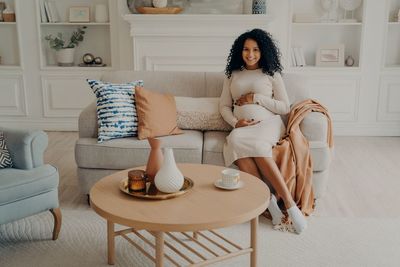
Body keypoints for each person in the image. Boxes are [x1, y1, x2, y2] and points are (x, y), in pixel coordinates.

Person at [219, 28, 307, 234]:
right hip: (243, 127)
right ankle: (270, 204)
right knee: (235, 141)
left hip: (268, 123)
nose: (250, 54)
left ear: (263, 51)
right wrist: (235, 122)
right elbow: (223, 106)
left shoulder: (271, 74)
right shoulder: (232, 74)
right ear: (239, 51)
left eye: (256, 49)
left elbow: (284, 107)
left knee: (258, 145)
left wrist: (255, 98)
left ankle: (291, 206)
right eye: (246, 49)